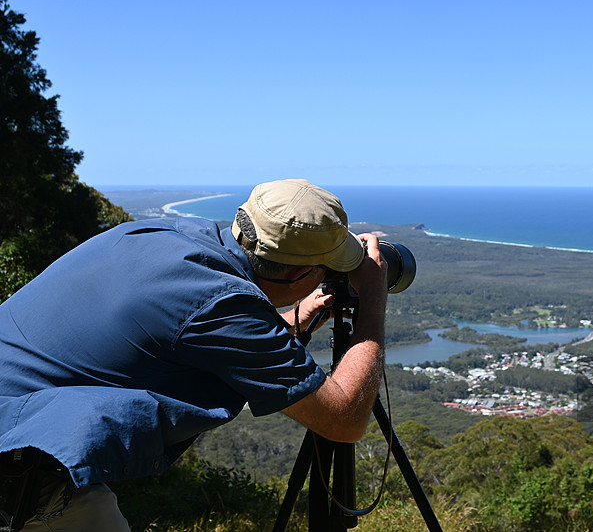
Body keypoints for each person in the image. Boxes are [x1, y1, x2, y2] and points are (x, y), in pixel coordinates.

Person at [0, 179, 388, 531]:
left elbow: (188, 327)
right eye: (326, 269)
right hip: (20, 464)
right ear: (297, 277)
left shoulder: (165, 233)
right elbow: (344, 420)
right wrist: (372, 302)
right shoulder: (222, 306)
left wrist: (287, 322)